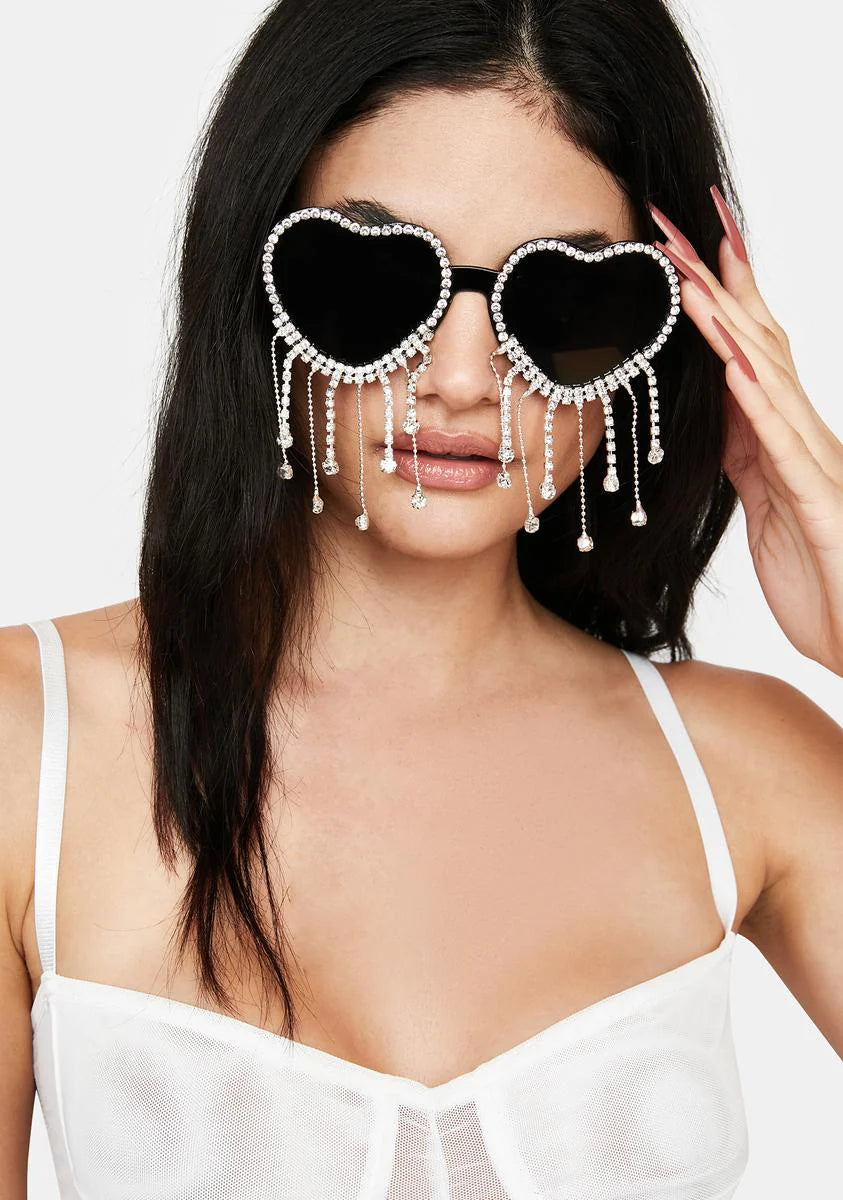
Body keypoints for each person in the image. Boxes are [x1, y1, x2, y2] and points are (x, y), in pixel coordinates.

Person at [2, 0, 841, 1196]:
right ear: (257, 283)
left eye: (559, 302)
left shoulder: (748, 772)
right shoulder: (26, 747)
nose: (459, 380)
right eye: (375, 278)